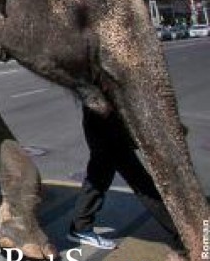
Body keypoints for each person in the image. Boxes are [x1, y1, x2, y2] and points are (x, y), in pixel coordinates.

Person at [68, 104, 181, 250]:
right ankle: (183, 234)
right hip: (106, 123)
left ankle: (80, 227)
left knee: (100, 176)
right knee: (140, 182)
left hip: (106, 121)